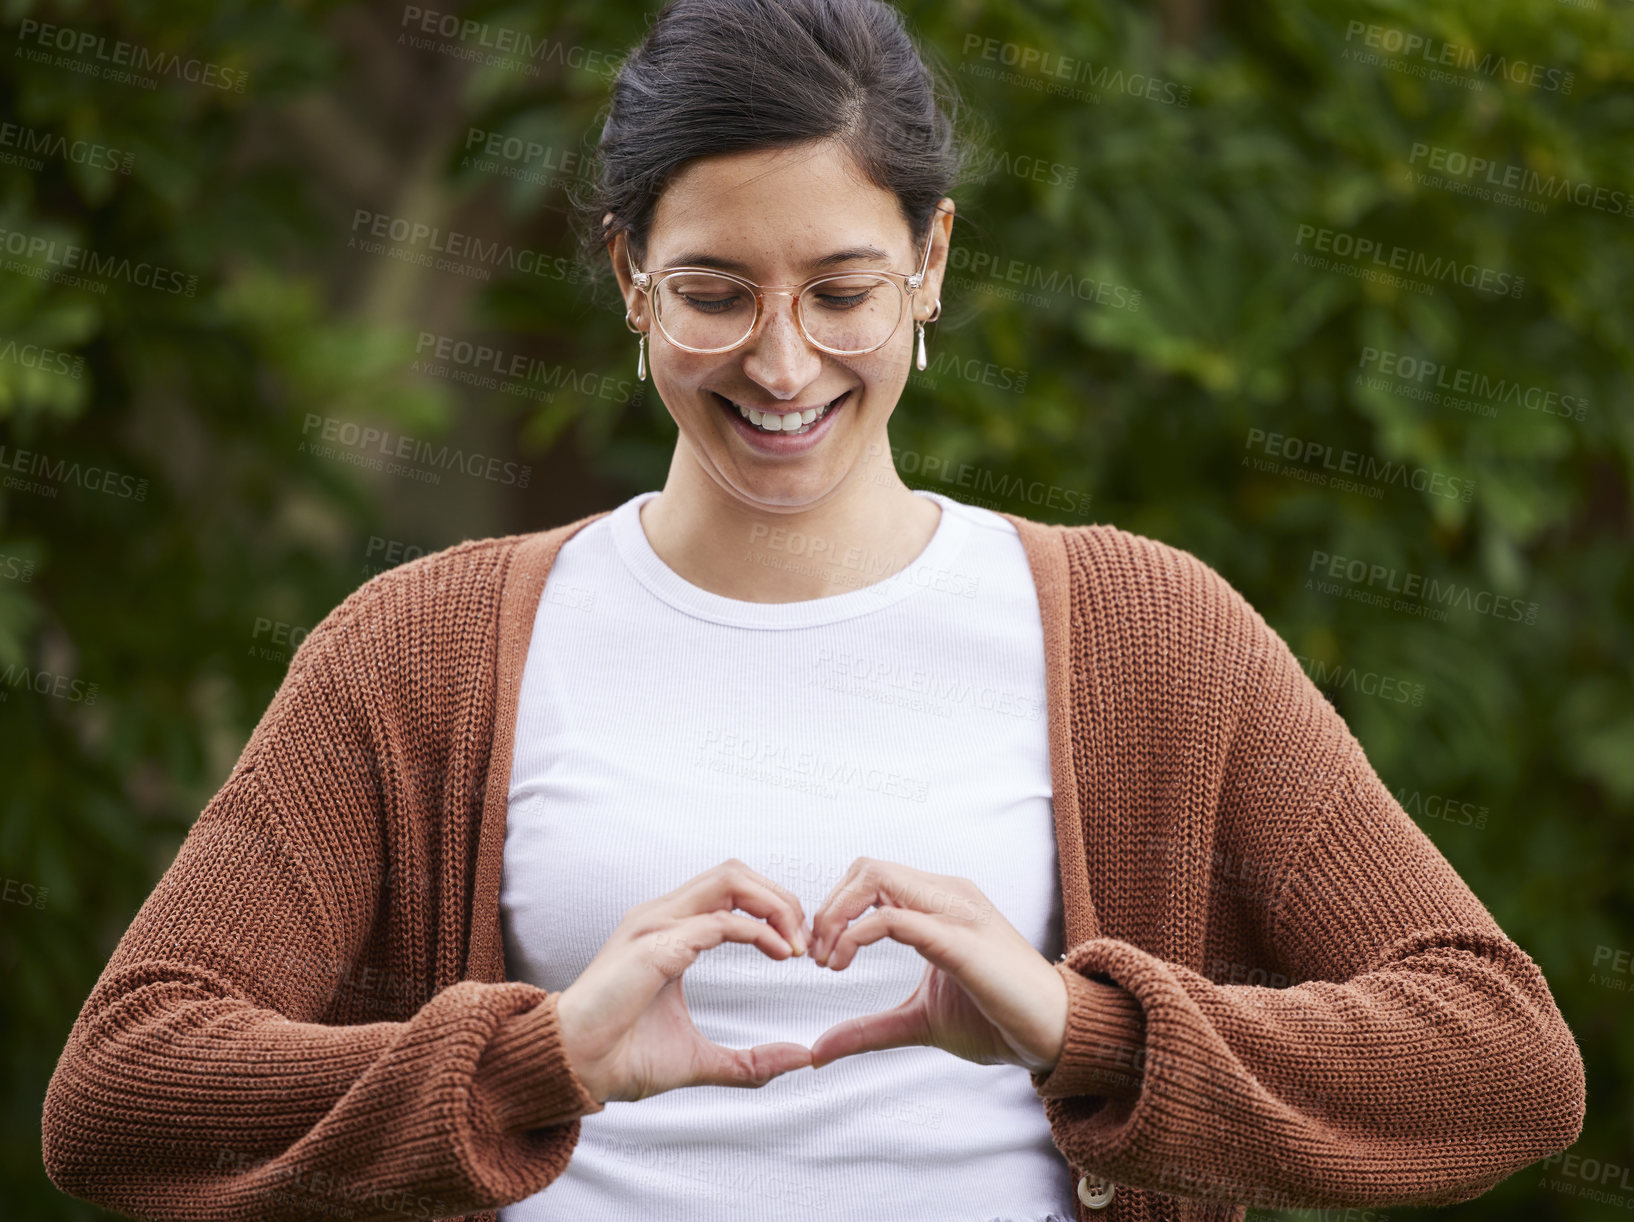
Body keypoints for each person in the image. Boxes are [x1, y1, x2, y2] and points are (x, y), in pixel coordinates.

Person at [41, 1, 1585, 1220]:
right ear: (628, 277)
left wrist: (1079, 1028)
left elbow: (1496, 1059)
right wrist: (536, 1059)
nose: (781, 365)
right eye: (716, 292)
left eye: (841, 290)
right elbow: (121, 1087)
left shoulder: (1141, 631)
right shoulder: (419, 650)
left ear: (931, 262)